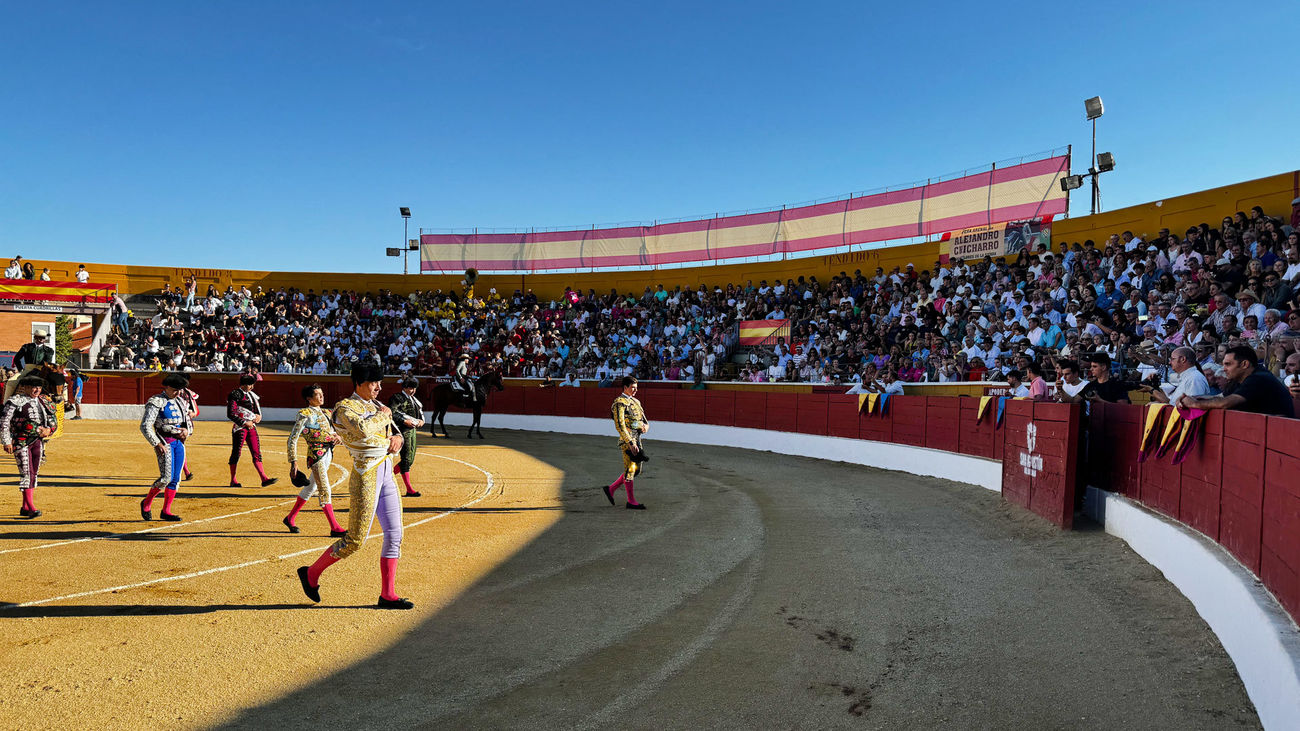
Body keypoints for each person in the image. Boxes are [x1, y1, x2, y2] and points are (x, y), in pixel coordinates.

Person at [297, 362, 413, 609]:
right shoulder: (343, 409)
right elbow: (361, 429)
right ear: (359, 383)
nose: (379, 388)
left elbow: (395, 433)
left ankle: (388, 595)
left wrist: (398, 439)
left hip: (385, 473)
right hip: (365, 474)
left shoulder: (376, 406)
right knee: (354, 540)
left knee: (395, 534)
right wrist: (384, 414)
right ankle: (311, 574)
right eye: (374, 383)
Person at [284, 384, 346, 536]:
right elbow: (292, 438)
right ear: (309, 398)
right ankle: (334, 527)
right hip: (316, 455)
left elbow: (334, 431)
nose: (321, 396)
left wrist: (338, 437)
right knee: (325, 489)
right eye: (317, 394)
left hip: (328, 453)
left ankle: (290, 518)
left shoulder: (326, 412)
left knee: (311, 487)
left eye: (322, 393)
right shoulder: (304, 414)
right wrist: (294, 461)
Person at [1180, 345, 1296, 417]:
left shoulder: (1259, 378)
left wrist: (1195, 404)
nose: (1224, 369)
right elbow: (1220, 397)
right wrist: (1190, 398)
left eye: (1228, 364)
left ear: (1245, 364)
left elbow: (1225, 403)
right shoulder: (1239, 379)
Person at [138, 373, 192, 521]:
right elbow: (145, 425)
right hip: (164, 441)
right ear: (167, 387)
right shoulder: (156, 401)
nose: (178, 393)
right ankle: (147, 502)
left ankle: (166, 511)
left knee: (175, 478)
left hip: (178, 443)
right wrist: (156, 443)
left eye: (180, 390)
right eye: (175, 390)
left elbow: (187, 423)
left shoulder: (180, 401)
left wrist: (187, 432)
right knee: (166, 478)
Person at [2, 375, 55, 518]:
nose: (36, 389)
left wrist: (49, 430)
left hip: (38, 441)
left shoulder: (44, 401)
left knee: (33, 473)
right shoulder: (14, 401)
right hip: (21, 441)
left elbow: (53, 421)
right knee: (26, 472)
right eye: (33, 387)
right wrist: (6, 441)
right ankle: (31, 507)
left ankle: (25, 507)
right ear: (24, 387)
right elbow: (4, 422)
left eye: (38, 387)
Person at [603, 375, 649, 510]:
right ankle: (631, 501)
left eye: (636, 388)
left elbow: (645, 421)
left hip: (638, 438)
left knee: (636, 470)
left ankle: (611, 489)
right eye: (632, 388)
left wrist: (646, 427)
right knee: (630, 469)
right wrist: (629, 442)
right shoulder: (619, 402)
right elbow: (620, 425)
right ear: (625, 387)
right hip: (627, 439)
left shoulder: (636, 402)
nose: (635, 391)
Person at [227, 373, 277, 487]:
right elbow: (231, 413)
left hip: (251, 427)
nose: (252, 387)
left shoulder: (251, 395)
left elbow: (256, 410)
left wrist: (258, 416)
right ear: (244, 385)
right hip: (240, 428)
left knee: (256, 452)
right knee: (236, 453)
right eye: (250, 385)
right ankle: (233, 480)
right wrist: (244, 422)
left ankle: (264, 478)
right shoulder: (235, 394)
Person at [387, 377, 425, 498]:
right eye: (410, 388)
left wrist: (421, 421)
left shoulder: (413, 399)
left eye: (414, 388)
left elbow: (419, 413)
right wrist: (404, 421)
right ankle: (409, 489)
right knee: (407, 459)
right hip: (401, 430)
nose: (413, 390)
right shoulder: (397, 397)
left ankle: (385, 478)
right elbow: (392, 412)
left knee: (410, 459)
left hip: (411, 430)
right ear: (404, 387)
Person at [1145, 347, 1212, 404]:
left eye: (1172, 359)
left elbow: (1193, 408)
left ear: (1183, 359)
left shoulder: (1195, 378)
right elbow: (1173, 403)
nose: (1170, 362)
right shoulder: (1188, 377)